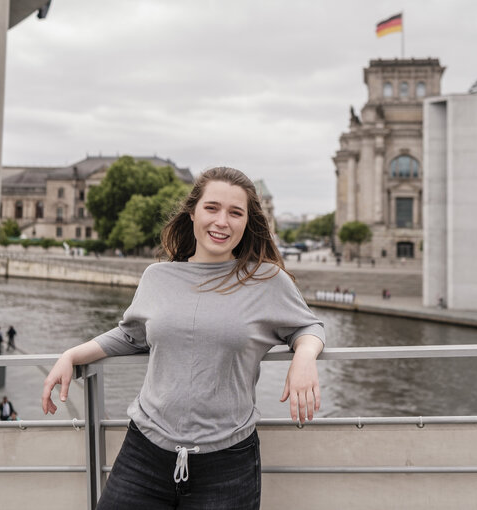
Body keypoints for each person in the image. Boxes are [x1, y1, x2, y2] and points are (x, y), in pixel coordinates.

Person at [41, 167, 325, 509]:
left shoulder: (266, 280)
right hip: (143, 453)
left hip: (228, 463)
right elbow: (131, 336)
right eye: (212, 208)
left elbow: (308, 327)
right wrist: (71, 355)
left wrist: (305, 357)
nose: (222, 221)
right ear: (192, 211)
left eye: (235, 213)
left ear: (247, 222)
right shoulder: (157, 277)